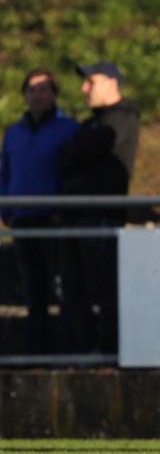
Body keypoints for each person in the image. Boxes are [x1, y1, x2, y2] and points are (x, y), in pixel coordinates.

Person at [60, 61, 141, 353]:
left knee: (102, 288)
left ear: (111, 83)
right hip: (77, 216)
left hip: (100, 217)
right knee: (73, 288)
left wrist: (76, 151)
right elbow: (72, 154)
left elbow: (88, 150)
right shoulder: (93, 123)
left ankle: (106, 352)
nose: (84, 89)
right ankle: (86, 350)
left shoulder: (121, 118)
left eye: (90, 82)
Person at [0, 69, 79, 353]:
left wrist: (62, 208)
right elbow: (5, 172)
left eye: (44, 89)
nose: (37, 95)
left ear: (54, 94)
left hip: (53, 219)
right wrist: (6, 208)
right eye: (32, 89)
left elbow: (73, 172)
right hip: (22, 219)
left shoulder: (68, 128)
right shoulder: (15, 132)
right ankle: (37, 351)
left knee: (60, 288)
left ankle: (66, 349)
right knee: (32, 289)